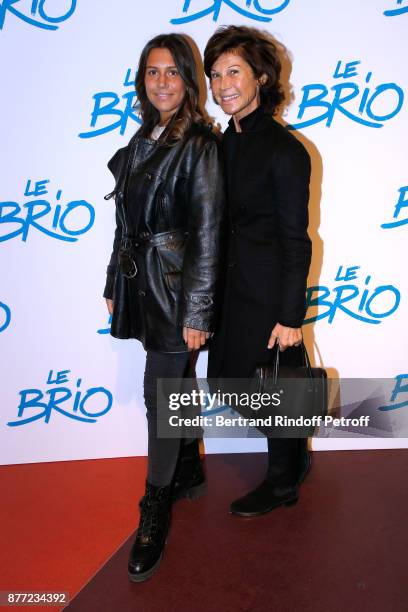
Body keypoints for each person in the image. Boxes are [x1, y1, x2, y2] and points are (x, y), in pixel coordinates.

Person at [103, 33, 224, 581]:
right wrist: (113, 279)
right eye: (152, 72)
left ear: (188, 80)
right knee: (173, 391)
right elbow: (124, 223)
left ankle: (155, 506)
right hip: (142, 283)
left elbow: (208, 231)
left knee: (162, 397)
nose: (161, 82)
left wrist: (198, 310)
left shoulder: (199, 143)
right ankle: (189, 470)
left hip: (177, 290)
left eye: (172, 72)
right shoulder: (141, 138)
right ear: (141, 81)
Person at [204, 26, 312, 516]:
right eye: (215, 74)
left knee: (276, 385)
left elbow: (297, 239)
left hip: (267, 293)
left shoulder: (286, 151)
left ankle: (283, 481)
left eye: (234, 71)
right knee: (235, 383)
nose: (223, 83)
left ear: (261, 78)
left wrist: (291, 316)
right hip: (229, 291)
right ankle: (298, 456)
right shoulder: (219, 146)